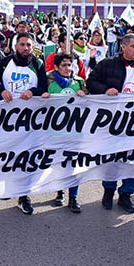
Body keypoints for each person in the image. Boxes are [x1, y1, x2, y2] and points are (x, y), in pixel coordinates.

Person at [86, 33, 134, 213]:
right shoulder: (107, 64)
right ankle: (109, 190)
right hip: (111, 122)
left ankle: (126, 194)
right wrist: (105, 90)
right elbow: (91, 81)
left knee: (132, 160)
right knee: (111, 158)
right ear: (124, 47)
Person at [0, 32, 49, 215]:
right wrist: (1, 91)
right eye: (22, 44)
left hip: (30, 119)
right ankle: (9, 186)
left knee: (27, 156)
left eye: (29, 45)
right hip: (7, 118)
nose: (25, 48)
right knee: (8, 154)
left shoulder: (38, 63)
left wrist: (33, 91)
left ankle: (24, 196)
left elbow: (44, 89)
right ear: (16, 46)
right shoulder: (5, 62)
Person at [46, 53, 87, 213]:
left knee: (73, 165)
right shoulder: (50, 83)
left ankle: (73, 197)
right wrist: (43, 97)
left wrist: (84, 96)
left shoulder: (79, 82)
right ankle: (60, 192)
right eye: (64, 65)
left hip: (75, 131)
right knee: (59, 164)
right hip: (55, 132)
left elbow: (90, 103)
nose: (67, 68)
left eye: (70, 65)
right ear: (56, 67)